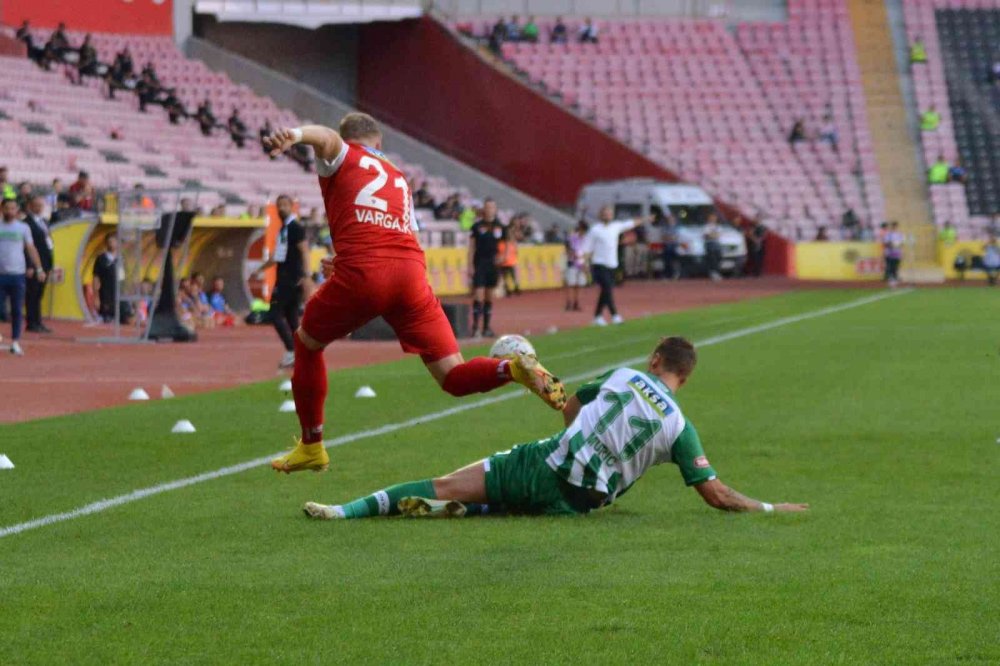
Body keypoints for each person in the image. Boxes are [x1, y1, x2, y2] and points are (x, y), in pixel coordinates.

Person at [262, 114, 568, 473]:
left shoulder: (346, 154)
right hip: (410, 274)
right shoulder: (398, 178)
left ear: (355, 140)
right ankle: (512, 368)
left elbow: (326, 138)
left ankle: (312, 446)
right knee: (452, 375)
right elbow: (401, 236)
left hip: (367, 272)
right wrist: (351, 262)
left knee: (306, 342)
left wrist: (295, 135)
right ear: (380, 144)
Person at [301, 336, 809, 520]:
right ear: (685, 377)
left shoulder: (626, 375)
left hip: (548, 468)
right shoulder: (681, 427)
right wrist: (770, 507)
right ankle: (488, 504)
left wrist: (539, 382)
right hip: (583, 503)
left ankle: (344, 512)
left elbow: (568, 407)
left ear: (655, 359)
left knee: (445, 486)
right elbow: (715, 494)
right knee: (491, 502)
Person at [254, 194, 311, 369]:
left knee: (274, 313)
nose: (281, 208)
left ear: (291, 207)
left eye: (285, 205)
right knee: (291, 316)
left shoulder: (294, 228)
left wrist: (307, 276)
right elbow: (279, 255)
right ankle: (301, 352)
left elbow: (304, 251)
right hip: (286, 277)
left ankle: (291, 350)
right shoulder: (284, 229)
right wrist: (259, 269)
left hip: (290, 279)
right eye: (279, 205)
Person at [584, 205, 648, 326]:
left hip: (612, 264)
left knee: (605, 291)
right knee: (608, 288)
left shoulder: (616, 226)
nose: (607, 215)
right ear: (600, 215)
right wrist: (585, 263)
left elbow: (631, 223)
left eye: (609, 213)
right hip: (599, 263)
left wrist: (646, 219)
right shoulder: (595, 230)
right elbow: (587, 247)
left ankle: (597, 316)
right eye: (605, 213)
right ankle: (615, 315)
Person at [1, 198, 46, 355]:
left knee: (17, 310)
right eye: (7, 208)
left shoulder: (23, 228)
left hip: (17, 274)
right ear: (2, 209)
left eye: (13, 208)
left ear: (17, 210)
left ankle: (15, 341)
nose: (10, 211)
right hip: (0, 274)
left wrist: (39, 268)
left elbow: (30, 248)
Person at [468, 198, 504, 337]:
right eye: (487, 207)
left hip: (493, 266)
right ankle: (475, 327)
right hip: (480, 264)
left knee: (489, 297)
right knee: (478, 295)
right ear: (484, 209)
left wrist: (503, 256)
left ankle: (486, 327)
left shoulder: (500, 226)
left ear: (495, 209)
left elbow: (506, 243)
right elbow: (471, 248)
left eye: (492, 207)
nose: (489, 209)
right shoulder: (477, 226)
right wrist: (470, 265)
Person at [22, 195, 54, 333]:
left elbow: (48, 242)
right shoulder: (26, 223)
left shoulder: (44, 222)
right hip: (34, 262)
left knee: (39, 293)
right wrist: (29, 265)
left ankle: (38, 321)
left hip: (46, 261)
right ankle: (31, 322)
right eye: (36, 205)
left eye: (41, 206)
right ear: (30, 206)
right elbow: (26, 246)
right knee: (33, 292)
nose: (39, 208)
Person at [92, 233, 123, 323]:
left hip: (119, 295)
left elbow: (124, 278)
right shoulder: (101, 258)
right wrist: (96, 297)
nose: (111, 243)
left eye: (114, 241)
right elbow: (96, 278)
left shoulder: (121, 258)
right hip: (105, 295)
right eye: (109, 241)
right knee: (107, 320)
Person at [564, 220, 588, 311]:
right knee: (570, 284)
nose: (583, 232)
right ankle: (568, 302)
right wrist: (579, 261)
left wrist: (584, 263)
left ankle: (576, 303)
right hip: (572, 263)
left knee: (579, 284)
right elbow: (571, 250)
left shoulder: (586, 239)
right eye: (581, 230)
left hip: (582, 263)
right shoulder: (573, 237)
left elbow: (587, 252)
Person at [498, 213, 522, 297]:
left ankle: (511, 287)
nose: (518, 223)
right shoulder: (509, 229)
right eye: (517, 221)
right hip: (505, 248)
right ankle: (511, 287)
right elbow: (510, 240)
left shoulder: (513, 229)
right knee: (506, 269)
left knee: (508, 270)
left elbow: (516, 239)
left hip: (508, 249)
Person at [883, 221, 904, 287]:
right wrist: (892, 245)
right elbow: (886, 243)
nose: (895, 227)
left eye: (896, 226)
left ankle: (894, 280)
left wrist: (897, 245)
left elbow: (902, 243)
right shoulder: (889, 234)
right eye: (893, 226)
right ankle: (891, 281)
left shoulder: (900, 234)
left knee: (896, 267)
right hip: (890, 253)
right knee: (890, 267)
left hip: (897, 253)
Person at [703, 214, 724, 281]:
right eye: (711, 218)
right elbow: (707, 236)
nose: (713, 219)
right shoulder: (706, 227)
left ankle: (716, 271)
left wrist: (712, 235)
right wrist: (713, 235)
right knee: (712, 257)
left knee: (719, 257)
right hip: (709, 244)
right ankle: (714, 272)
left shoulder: (719, 227)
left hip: (717, 244)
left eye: (714, 218)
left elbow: (718, 235)